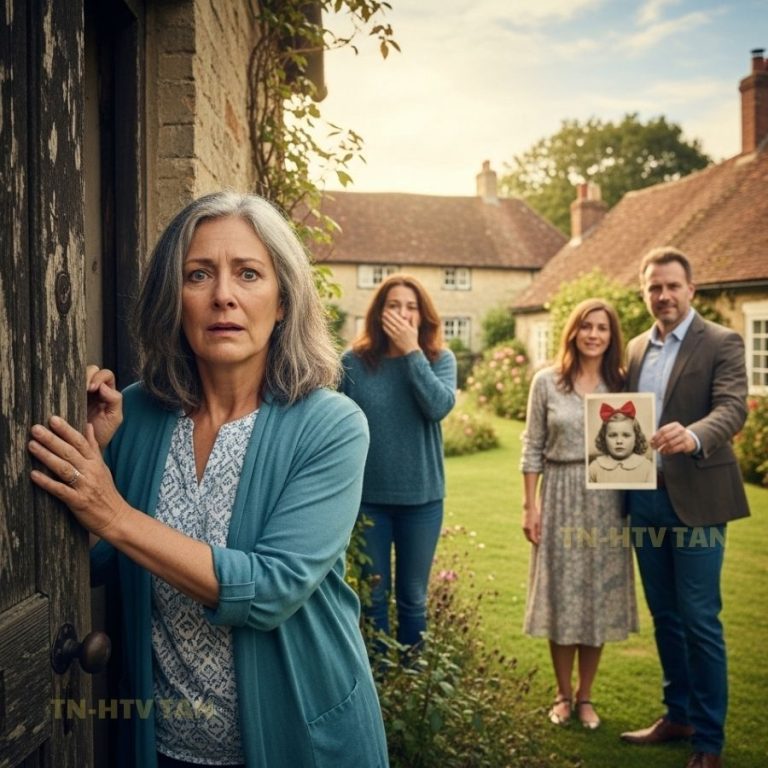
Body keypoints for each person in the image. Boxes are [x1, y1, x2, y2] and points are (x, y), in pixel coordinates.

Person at [28, 192, 389, 768]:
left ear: (283, 302)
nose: (224, 295)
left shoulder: (331, 425)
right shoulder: (139, 413)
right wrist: (96, 452)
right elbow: (101, 560)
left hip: (299, 740)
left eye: (248, 273)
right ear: (174, 300)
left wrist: (115, 511)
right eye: (199, 274)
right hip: (163, 744)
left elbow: (270, 588)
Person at [620, 247, 750, 768]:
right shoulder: (633, 348)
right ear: (645, 292)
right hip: (644, 499)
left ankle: (709, 741)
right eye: (655, 287)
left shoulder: (722, 340)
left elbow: (733, 406)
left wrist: (693, 436)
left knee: (699, 618)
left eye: (673, 286)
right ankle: (677, 714)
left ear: (691, 289)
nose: (664, 295)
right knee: (666, 616)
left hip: (698, 500)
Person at [521, 298, 638, 730]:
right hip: (560, 494)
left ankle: (587, 696)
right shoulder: (547, 383)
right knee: (562, 593)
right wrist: (530, 506)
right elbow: (531, 445)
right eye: (586, 326)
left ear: (612, 337)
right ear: (573, 331)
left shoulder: (622, 384)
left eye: (602, 328)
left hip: (608, 500)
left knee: (597, 596)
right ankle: (562, 694)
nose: (594, 334)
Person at [340, 273, 456, 649]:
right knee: (372, 601)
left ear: (422, 316)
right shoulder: (354, 363)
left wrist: (412, 352)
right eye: (394, 305)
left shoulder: (439, 359)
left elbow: (438, 407)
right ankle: (378, 688)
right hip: (369, 501)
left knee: (412, 599)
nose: (402, 314)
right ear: (379, 312)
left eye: (411, 307)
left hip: (422, 502)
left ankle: (413, 680)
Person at [588, 400, 654, 483]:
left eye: (626, 435)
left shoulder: (647, 467)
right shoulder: (594, 467)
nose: (619, 441)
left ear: (636, 438)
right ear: (604, 438)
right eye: (613, 435)